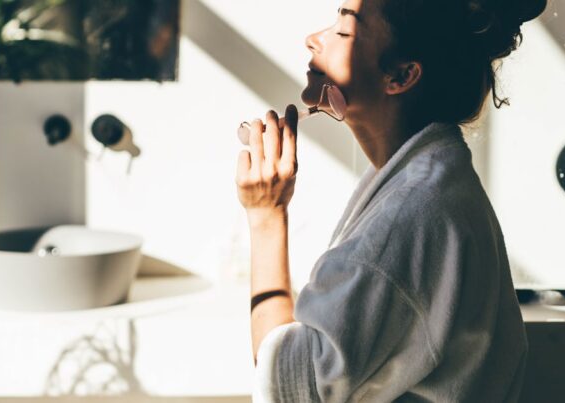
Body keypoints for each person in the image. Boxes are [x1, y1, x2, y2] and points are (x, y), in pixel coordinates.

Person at [234, 0, 547, 401]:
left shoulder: (413, 213)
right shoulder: (431, 183)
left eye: (344, 32)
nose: (313, 40)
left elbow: (291, 388)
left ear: (401, 75)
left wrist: (266, 216)